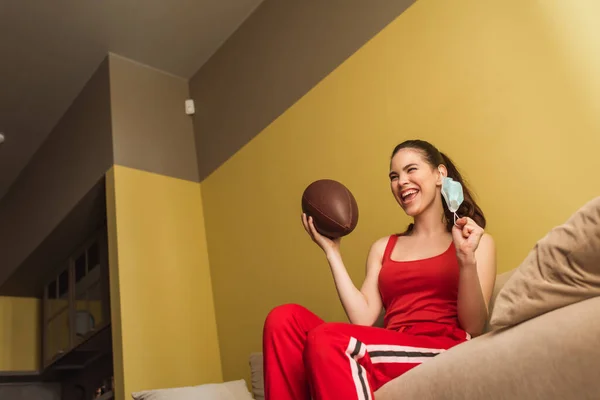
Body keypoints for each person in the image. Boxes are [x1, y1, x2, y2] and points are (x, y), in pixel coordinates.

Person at [262, 139, 497, 400]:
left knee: (329, 339)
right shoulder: (383, 247)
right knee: (283, 319)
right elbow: (363, 319)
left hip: (443, 346)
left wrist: (465, 258)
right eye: (394, 176)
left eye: (411, 170)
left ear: (440, 174)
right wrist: (332, 253)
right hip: (391, 346)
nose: (401, 182)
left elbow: (474, 327)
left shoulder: (475, 241)